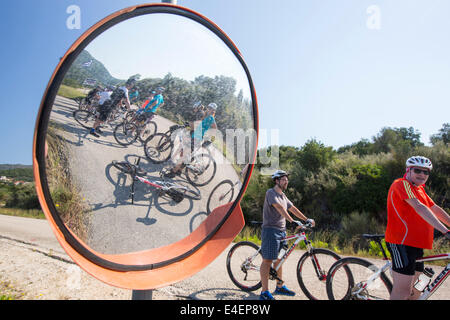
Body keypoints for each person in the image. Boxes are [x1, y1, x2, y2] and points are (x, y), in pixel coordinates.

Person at [385, 156, 450, 300]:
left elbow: (435, 209)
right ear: (408, 170)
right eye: (418, 170)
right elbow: (419, 207)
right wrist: (445, 230)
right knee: (402, 292)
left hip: (416, 244)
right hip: (401, 243)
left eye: (426, 172)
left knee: (416, 292)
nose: (422, 174)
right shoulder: (402, 184)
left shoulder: (419, 190)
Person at [259, 170, 315, 300]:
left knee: (279, 259)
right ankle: (264, 292)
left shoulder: (283, 196)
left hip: (281, 231)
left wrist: (306, 219)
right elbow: (280, 208)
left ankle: (279, 286)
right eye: (283, 179)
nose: (286, 181)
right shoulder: (270, 193)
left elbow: (292, 208)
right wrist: (292, 221)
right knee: (267, 260)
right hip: (270, 231)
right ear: (277, 181)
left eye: (287, 179)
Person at [163, 102, 217, 178]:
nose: (209, 109)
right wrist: (189, 124)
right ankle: (179, 170)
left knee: (184, 155)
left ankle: (173, 172)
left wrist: (210, 140)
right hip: (194, 136)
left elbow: (215, 129)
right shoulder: (205, 116)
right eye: (208, 107)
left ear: (213, 111)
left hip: (197, 139)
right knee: (185, 153)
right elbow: (197, 124)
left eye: (211, 109)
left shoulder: (211, 118)